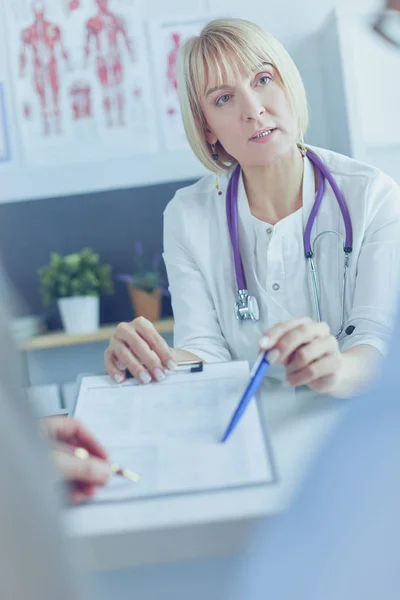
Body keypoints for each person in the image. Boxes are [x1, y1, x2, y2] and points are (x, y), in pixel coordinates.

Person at [104, 18, 400, 400]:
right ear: (207, 127)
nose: (253, 109)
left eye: (262, 79)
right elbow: (203, 350)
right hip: (250, 434)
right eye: (223, 98)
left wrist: (337, 367)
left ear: (287, 84)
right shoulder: (188, 216)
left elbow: (377, 339)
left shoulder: (372, 195)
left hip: (349, 432)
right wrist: (148, 362)